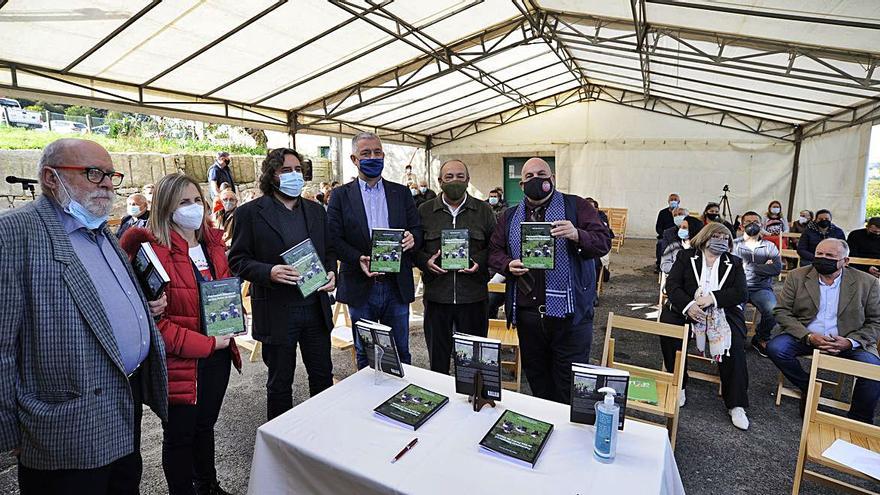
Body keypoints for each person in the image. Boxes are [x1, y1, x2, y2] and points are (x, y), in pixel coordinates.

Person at [0, 138, 168, 494]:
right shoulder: (13, 233)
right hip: (65, 425)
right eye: (94, 173)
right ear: (50, 177)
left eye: (110, 174)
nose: (107, 182)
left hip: (123, 402)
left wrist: (141, 311)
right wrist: (8, 428)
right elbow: (1, 346)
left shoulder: (99, 228)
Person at [120, 173, 240, 495]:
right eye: (183, 202)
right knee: (180, 436)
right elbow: (159, 324)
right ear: (165, 208)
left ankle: (208, 485)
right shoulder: (155, 252)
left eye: (197, 200)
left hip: (218, 355)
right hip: (181, 363)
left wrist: (224, 335)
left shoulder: (213, 244)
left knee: (205, 426)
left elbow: (224, 292)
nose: (193, 208)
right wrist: (207, 343)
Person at [489, 157, 610, 404]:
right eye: (530, 177)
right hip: (528, 316)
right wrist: (507, 265)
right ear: (522, 185)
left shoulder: (576, 207)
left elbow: (603, 241)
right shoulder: (510, 216)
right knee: (538, 380)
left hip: (570, 315)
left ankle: (567, 436)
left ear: (552, 179)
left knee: (569, 383)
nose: (537, 180)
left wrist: (578, 234)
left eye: (541, 174)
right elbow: (494, 251)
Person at [229, 148, 337, 420]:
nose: (294, 175)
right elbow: (238, 260)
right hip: (277, 311)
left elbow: (328, 252)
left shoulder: (315, 210)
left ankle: (325, 433)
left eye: (298, 170)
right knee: (280, 384)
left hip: (315, 308)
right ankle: (280, 444)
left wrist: (333, 272)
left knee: (323, 376)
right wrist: (269, 271)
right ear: (272, 176)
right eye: (286, 170)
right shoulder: (250, 213)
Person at [327, 132, 423, 368]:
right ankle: (368, 402)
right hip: (360, 286)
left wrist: (413, 239)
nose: (373, 157)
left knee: (401, 351)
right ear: (354, 159)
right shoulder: (340, 195)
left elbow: (417, 229)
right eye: (366, 153)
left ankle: (402, 399)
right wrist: (357, 257)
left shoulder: (401, 193)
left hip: (396, 284)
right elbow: (332, 238)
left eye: (377, 152)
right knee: (366, 352)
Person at [767, 239, 880, 423]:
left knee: (873, 369)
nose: (822, 259)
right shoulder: (797, 276)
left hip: (849, 340)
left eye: (830, 256)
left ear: (846, 261)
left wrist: (849, 342)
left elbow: (876, 321)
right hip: (805, 335)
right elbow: (781, 311)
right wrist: (809, 336)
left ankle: (858, 421)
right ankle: (809, 387)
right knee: (776, 348)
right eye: (819, 254)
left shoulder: (867, 283)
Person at [659, 222, 751, 429]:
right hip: (687, 308)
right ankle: (679, 384)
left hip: (721, 311)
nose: (721, 240)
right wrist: (689, 305)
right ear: (705, 237)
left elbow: (741, 293)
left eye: (725, 238)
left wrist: (712, 298)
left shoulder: (734, 262)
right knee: (669, 330)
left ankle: (736, 404)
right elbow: (672, 285)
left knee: (735, 344)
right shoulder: (686, 256)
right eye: (716, 236)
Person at [416, 159, 496, 374]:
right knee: (438, 360)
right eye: (449, 177)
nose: (455, 181)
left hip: (473, 297)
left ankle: (473, 402)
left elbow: (496, 246)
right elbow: (414, 248)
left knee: (473, 362)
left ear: (468, 180)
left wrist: (479, 261)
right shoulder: (424, 211)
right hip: (437, 297)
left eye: (460, 176)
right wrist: (425, 261)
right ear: (440, 181)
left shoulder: (484, 210)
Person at [732, 211, 782, 356]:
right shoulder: (734, 245)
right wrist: (763, 267)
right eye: (748, 222)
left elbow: (776, 268)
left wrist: (749, 267)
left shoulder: (769, 246)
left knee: (773, 311)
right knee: (734, 312)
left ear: (761, 225)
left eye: (756, 222)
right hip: (737, 286)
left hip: (761, 288)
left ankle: (760, 338)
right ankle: (737, 339)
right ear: (741, 226)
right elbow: (731, 268)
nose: (752, 225)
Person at [654, 193, 681, 272]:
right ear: (668, 201)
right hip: (664, 236)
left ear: (679, 201)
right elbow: (658, 227)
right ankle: (659, 264)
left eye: (675, 200)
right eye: (671, 199)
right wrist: (664, 235)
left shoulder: (681, 212)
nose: (673, 201)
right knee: (660, 244)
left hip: (678, 236)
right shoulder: (662, 213)